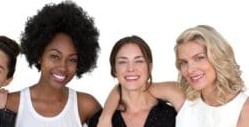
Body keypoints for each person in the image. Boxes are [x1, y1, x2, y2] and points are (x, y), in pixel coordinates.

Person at [97, 25, 249, 127]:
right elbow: (130, 86)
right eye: (183, 62)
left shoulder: (244, 108)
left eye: (199, 58)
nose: (190, 69)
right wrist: (105, 117)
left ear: (217, 56)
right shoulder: (182, 96)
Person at [0, 0, 102, 127]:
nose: (63, 67)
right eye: (55, 56)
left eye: (72, 60)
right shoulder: (11, 103)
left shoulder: (85, 105)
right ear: (39, 56)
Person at [88, 35, 176, 127]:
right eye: (123, 62)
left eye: (139, 61)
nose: (130, 69)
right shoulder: (99, 121)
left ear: (149, 68)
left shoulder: (172, 116)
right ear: (114, 69)